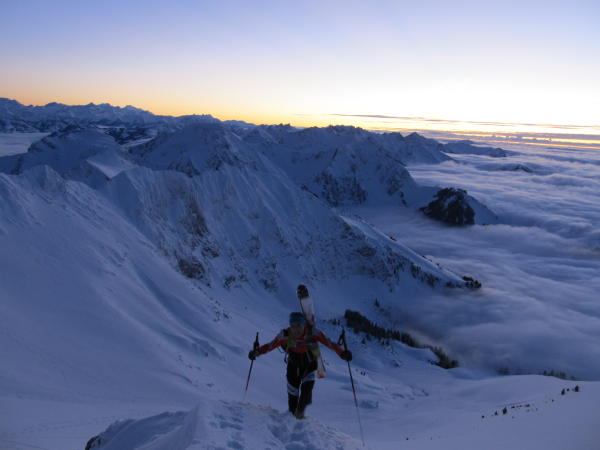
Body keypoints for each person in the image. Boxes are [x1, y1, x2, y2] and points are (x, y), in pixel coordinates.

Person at [248, 309, 352, 419]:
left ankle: (299, 417)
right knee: (293, 401)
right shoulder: (285, 335)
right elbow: (270, 346)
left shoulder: (313, 332)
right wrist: (257, 352)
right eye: (293, 326)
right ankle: (292, 420)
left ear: (304, 325)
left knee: (305, 394)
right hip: (293, 367)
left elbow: (329, 343)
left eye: (299, 325)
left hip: (309, 366)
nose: (296, 329)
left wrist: (342, 353)